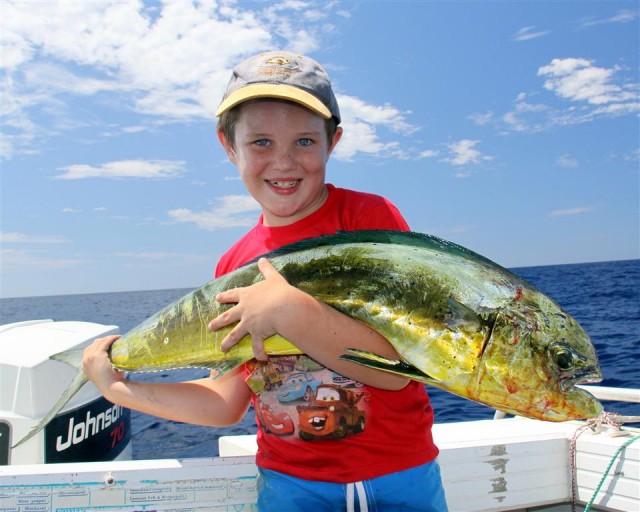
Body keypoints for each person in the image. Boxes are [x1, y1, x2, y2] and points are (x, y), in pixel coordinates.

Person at [83, 50, 448, 511]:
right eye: (260, 143)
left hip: (402, 474)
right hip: (291, 486)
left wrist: (287, 310)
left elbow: (398, 373)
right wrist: (119, 390)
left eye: (303, 142)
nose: (284, 162)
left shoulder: (371, 221)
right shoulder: (232, 266)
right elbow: (224, 401)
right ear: (227, 145)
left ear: (332, 142)